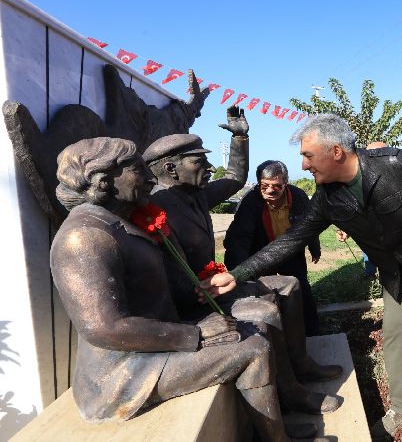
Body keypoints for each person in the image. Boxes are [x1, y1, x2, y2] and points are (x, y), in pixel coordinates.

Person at [201, 114, 402, 442]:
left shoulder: (398, 163)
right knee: (393, 336)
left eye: (308, 156)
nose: (304, 166)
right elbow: (291, 240)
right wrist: (237, 274)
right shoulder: (327, 198)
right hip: (396, 272)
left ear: (336, 151)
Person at [50, 137, 315, 441]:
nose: (150, 178)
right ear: (104, 181)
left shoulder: (118, 222)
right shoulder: (83, 237)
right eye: (138, 170)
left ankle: (282, 415)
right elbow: (105, 328)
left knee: (257, 329)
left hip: (157, 340)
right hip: (121, 374)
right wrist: (196, 334)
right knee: (253, 347)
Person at [143, 116, 341, 415]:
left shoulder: (196, 195)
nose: (209, 169)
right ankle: (290, 393)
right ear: (171, 169)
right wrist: (235, 275)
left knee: (292, 285)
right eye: (199, 162)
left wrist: (240, 139)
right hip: (196, 298)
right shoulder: (158, 206)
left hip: (239, 275)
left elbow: (235, 176)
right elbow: (227, 245)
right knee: (267, 309)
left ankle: (300, 363)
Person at [224, 159, 322, 335]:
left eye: (276, 185)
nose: (270, 190)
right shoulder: (250, 202)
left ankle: (311, 331)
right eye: (264, 185)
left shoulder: (298, 197)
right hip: (260, 254)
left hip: (291, 252)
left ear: (286, 182)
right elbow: (239, 239)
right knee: (265, 293)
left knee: (301, 290)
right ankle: (274, 331)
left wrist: (314, 247)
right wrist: (237, 271)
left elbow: (310, 226)